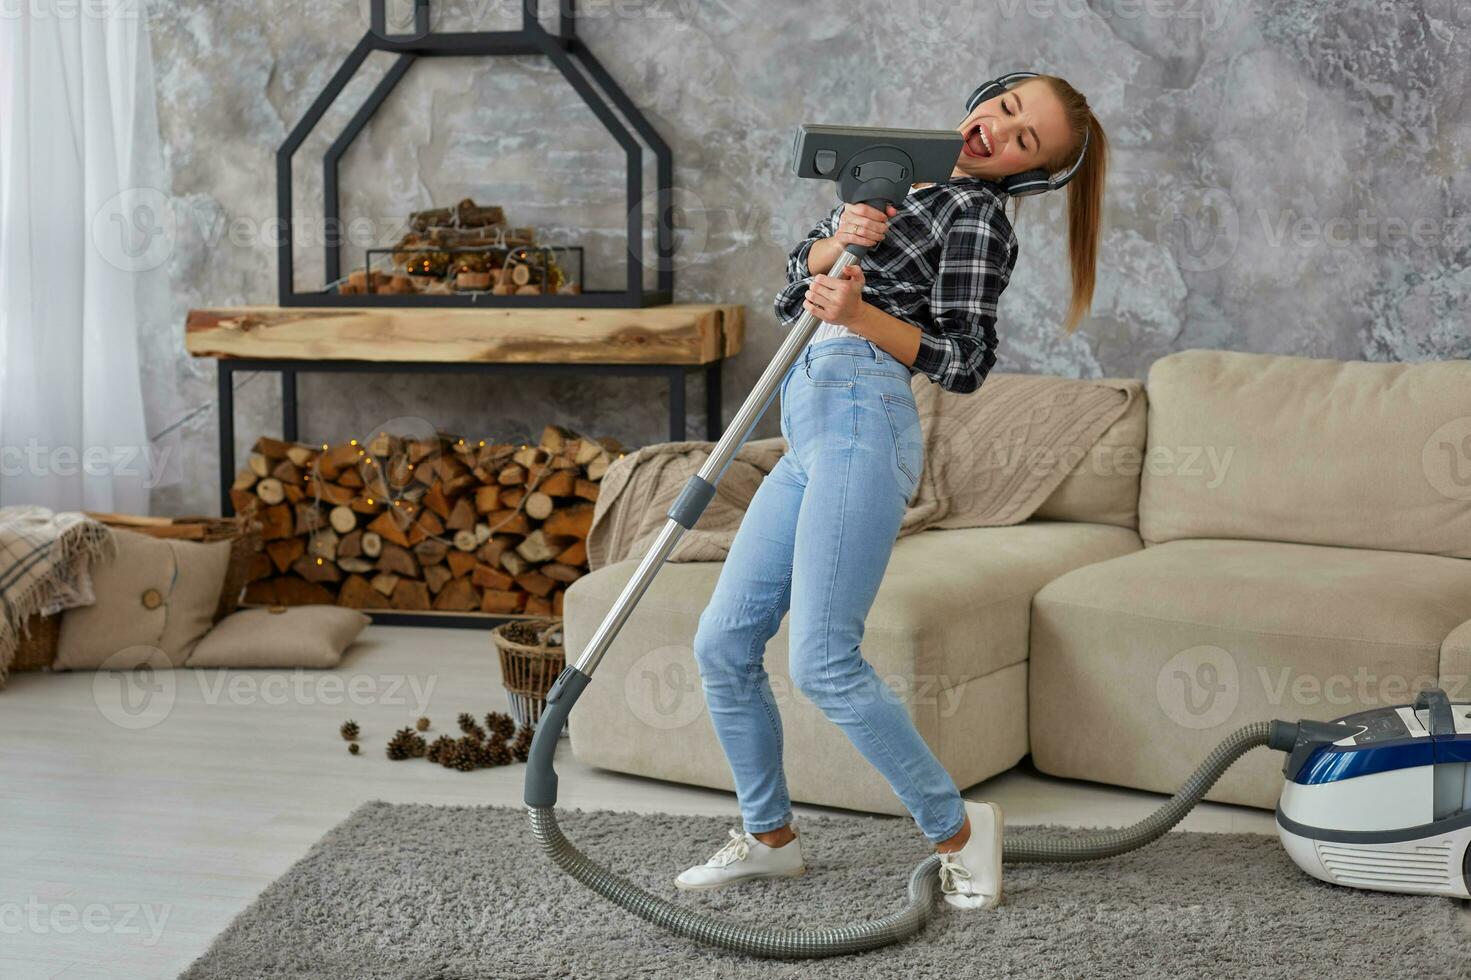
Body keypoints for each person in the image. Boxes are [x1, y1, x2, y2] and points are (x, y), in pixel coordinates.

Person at [677, 74, 1109, 910]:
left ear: (1028, 174)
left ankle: (958, 831)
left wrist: (862, 312)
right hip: (807, 430)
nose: (1001, 133)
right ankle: (769, 838)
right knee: (722, 644)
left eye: (1026, 143)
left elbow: (967, 359)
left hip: (864, 420)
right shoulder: (889, 182)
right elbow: (788, 288)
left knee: (822, 661)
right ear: (984, 96)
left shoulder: (976, 218)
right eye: (1007, 110)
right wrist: (840, 241)